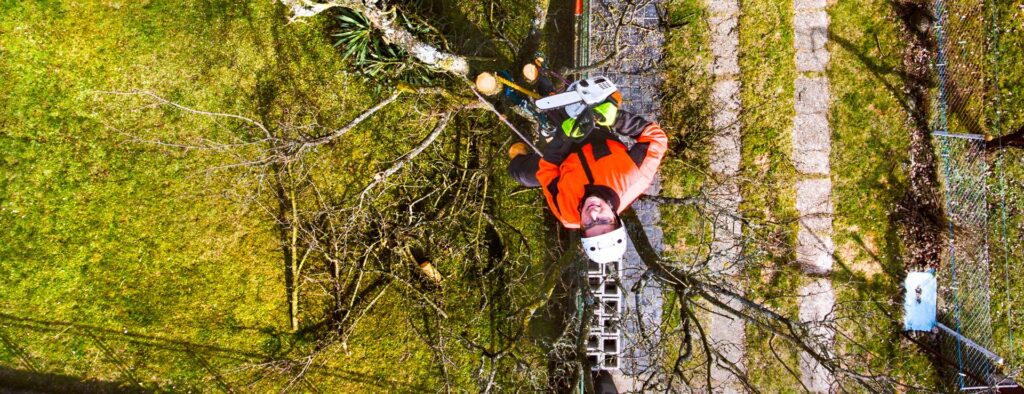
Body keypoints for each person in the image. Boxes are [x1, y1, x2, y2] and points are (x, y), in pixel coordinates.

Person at [507, 83, 668, 263]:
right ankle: (541, 78)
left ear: (581, 228)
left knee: (520, 173)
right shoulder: (633, 178)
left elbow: (547, 172)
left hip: (563, 155)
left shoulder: (566, 214)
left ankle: (514, 126)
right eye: (603, 221)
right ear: (615, 218)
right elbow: (656, 138)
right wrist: (616, 119)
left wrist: (563, 138)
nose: (593, 214)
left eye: (589, 224)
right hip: (596, 131)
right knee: (590, 99)